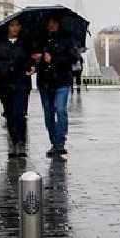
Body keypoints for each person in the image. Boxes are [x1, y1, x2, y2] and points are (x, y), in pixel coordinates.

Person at [0, 19, 34, 157]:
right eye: (12, 25)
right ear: (7, 27)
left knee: (19, 113)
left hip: (21, 82)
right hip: (4, 83)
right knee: (10, 114)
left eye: (18, 25)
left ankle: (21, 143)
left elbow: (32, 58)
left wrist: (32, 65)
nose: (15, 28)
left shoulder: (26, 42)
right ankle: (13, 142)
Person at [35, 16, 79, 157]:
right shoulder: (39, 39)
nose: (51, 25)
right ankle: (54, 142)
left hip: (61, 80)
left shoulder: (67, 39)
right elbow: (32, 57)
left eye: (54, 22)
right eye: (49, 23)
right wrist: (37, 59)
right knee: (48, 114)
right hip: (45, 82)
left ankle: (60, 143)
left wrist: (53, 59)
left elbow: (73, 58)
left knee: (60, 110)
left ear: (59, 24)